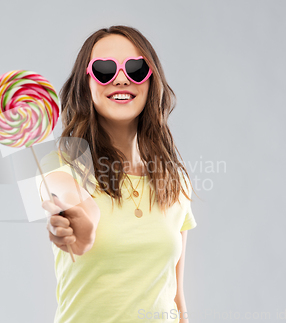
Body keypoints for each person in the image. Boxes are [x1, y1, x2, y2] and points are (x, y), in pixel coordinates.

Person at [40, 25, 197, 323]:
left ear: (151, 82)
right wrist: (80, 224)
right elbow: (65, 193)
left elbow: (175, 295)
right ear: (85, 83)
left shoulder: (176, 182)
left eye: (136, 68)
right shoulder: (62, 163)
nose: (122, 78)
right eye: (104, 69)